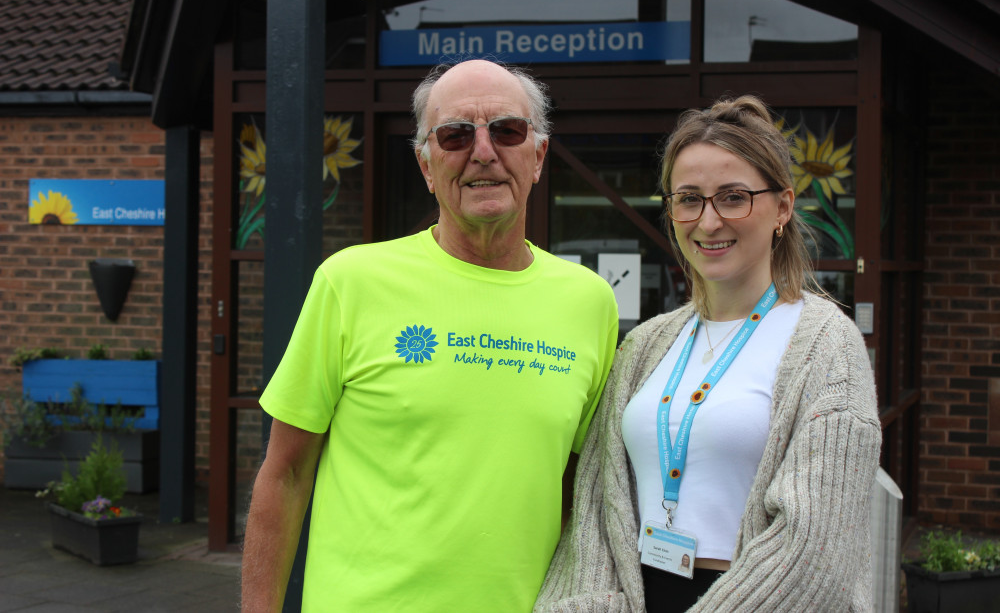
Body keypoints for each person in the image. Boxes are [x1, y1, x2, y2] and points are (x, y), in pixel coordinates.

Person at [241, 59, 619, 612]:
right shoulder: (351, 282)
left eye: (507, 131)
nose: (483, 152)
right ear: (425, 163)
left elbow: (576, 486)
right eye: (455, 135)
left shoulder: (589, 303)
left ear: (537, 156)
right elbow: (287, 473)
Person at [535, 95, 882, 612]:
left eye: (733, 197)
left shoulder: (827, 345)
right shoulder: (645, 345)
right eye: (689, 198)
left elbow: (815, 552)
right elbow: (597, 512)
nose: (709, 220)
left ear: (782, 207)